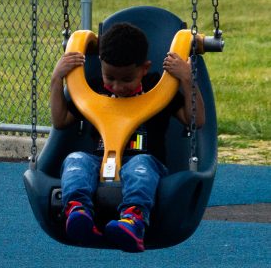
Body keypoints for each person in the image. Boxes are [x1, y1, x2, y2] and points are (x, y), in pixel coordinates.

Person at [50, 23, 205, 252]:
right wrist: (56, 80)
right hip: (100, 165)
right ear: (101, 65)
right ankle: (78, 211)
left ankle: (134, 220)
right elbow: (60, 120)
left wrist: (186, 80)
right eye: (109, 77)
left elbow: (196, 120)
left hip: (147, 166)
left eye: (126, 79)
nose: (117, 86)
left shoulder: (157, 88)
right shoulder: (94, 91)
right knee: (75, 160)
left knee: (140, 164)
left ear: (144, 68)